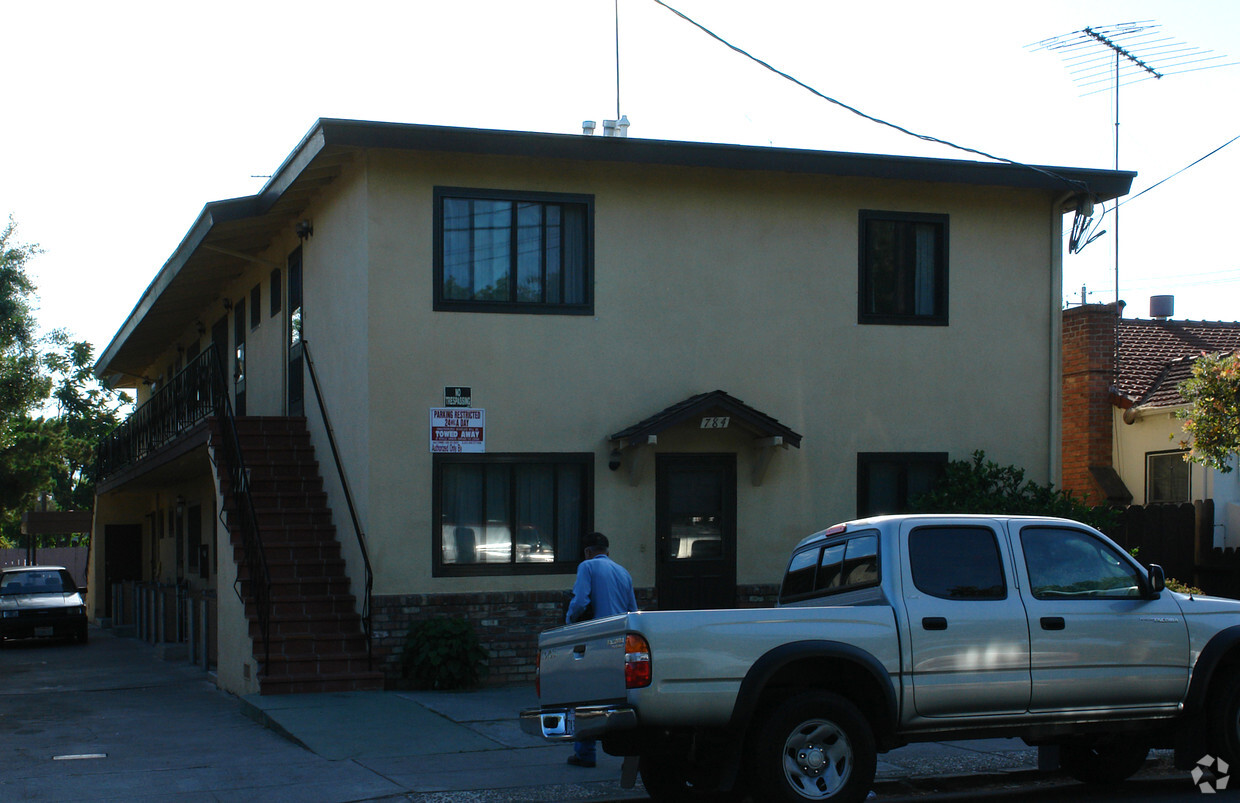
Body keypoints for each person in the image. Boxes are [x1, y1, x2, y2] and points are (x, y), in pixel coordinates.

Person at [564, 531, 638, 768]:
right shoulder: (623, 572)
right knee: (617, 696)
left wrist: (568, 621)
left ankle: (585, 753)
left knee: (583, 697)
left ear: (587, 551)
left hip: (595, 639)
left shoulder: (587, 567)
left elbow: (580, 602)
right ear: (607, 550)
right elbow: (632, 610)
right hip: (619, 639)